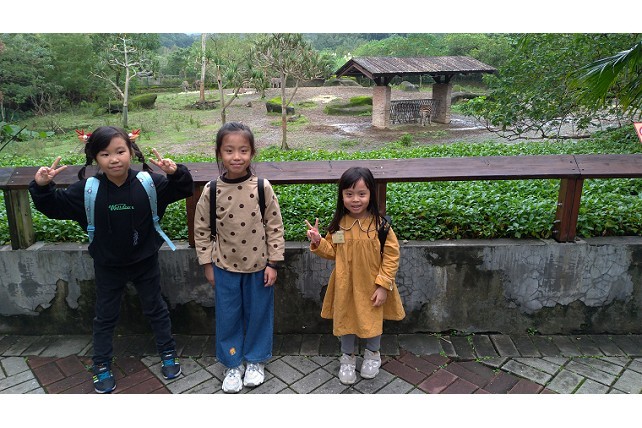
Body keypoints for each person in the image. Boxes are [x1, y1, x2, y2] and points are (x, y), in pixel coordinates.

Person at [28, 126, 194, 393]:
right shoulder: (87, 190)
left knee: (156, 308)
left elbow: (183, 189)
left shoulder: (149, 183)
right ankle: (101, 363)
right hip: (107, 265)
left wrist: (176, 173)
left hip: (145, 261)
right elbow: (53, 207)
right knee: (105, 316)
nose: (114, 159)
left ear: (131, 152)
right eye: (105, 154)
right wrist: (42, 186)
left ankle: (168, 352)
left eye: (120, 152)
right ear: (95, 157)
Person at [193, 122, 285, 393]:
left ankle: (256, 361)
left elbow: (275, 226)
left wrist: (273, 263)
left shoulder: (262, 186)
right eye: (229, 150)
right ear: (219, 153)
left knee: (259, 314)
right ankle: (232, 363)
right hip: (224, 267)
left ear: (252, 153)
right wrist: (207, 264)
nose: (236, 156)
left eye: (243, 150)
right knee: (228, 316)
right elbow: (201, 229)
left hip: (259, 267)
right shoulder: (212, 190)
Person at [305, 166, 405, 385]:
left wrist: (383, 285)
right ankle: (347, 358)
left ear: (371, 194)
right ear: (342, 196)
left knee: (372, 319)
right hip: (346, 285)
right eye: (349, 194)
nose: (355, 199)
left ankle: (373, 354)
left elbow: (391, 255)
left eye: (361, 193)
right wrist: (318, 241)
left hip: (372, 285)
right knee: (346, 319)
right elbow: (333, 251)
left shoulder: (381, 226)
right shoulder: (340, 225)